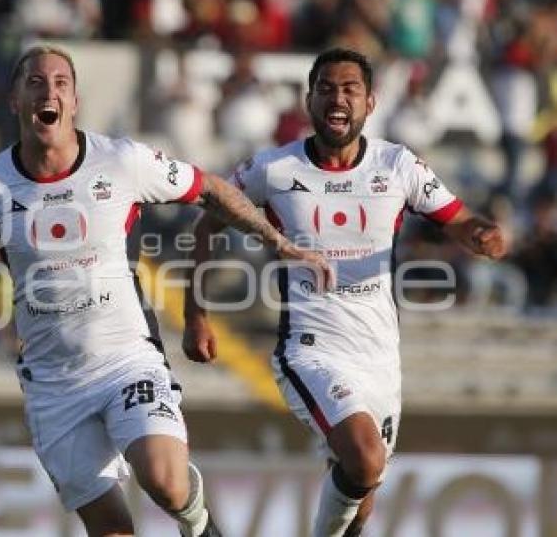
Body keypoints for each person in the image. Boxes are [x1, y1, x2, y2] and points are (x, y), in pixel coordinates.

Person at [0, 44, 331, 537]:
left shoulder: (121, 161)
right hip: (53, 383)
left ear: (74, 102)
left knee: (165, 482)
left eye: (61, 84)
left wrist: (277, 241)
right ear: (14, 101)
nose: (49, 92)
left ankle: (198, 524)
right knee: (113, 530)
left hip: (126, 360)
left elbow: (210, 189)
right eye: (35, 82)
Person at [182, 48, 507, 537]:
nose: (338, 98)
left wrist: (485, 235)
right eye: (327, 88)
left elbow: (459, 221)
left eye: (350, 89)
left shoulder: (397, 165)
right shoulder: (273, 169)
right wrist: (196, 314)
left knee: (365, 492)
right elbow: (208, 222)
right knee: (365, 456)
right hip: (311, 349)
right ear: (309, 99)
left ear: (370, 103)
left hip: (379, 354)